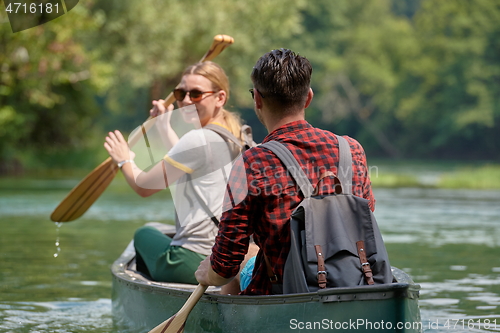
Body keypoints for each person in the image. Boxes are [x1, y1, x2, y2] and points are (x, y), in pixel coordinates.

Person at [195, 48, 376, 295]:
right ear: (308, 97)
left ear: (257, 99)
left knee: (242, 262)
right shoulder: (352, 149)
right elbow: (366, 218)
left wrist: (207, 273)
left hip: (283, 293)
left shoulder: (252, 162)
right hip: (353, 284)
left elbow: (225, 264)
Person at [104, 61, 244, 284]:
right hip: (229, 262)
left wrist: (125, 159)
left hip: (193, 260)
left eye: (196, 94)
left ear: (220, 98)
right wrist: (164, 126)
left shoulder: (197, 139)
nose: (186, 101)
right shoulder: (238, 139)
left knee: (144, 234)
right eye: (181, 93)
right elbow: (188, 164)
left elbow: (143, 186)